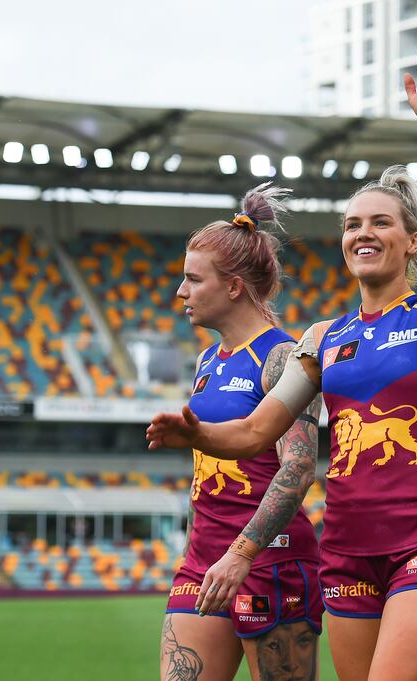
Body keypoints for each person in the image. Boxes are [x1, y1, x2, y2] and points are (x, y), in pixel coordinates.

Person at [148, 38, 417, 681]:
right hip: (346, 548)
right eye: (351, 224)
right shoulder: (320, 339)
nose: (362, 232)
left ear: (413, 241)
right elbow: (257, 430)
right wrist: (197, 432)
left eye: (380, 223)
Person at [160, 184, 323, 681]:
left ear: (233, 287)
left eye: (192, 280)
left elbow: (298, 467)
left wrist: (240, 554)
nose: (180, 293)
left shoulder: (283, 358)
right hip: (203, 561)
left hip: (270, 563)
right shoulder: (209, 361)